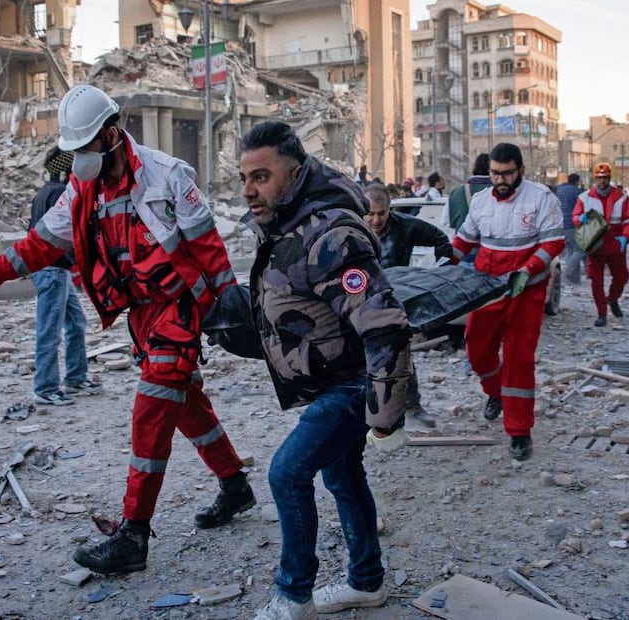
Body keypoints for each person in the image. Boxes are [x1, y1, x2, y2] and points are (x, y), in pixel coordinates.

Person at [0, 85, 255, 575]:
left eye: (84, 147)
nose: (78, 159)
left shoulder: (169, 176)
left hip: (180, 308)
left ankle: (133, 535)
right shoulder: (80, 190)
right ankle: (235, 485)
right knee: (185, 405)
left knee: (151, 410)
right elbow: (40, 243)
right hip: (142, 315)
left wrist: (229, 312)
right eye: (73, 150)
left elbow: (210, 251)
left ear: (111, 135)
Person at [238, 121, 411, 620]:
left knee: (287, 472)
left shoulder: (331, 233)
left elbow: (384, 326)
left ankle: (295, 595)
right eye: (244, 177)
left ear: (295, 175)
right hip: (330, 381)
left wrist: (386, 416)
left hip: (352, 384)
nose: (250, 190)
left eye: (262, 177)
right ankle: (367, 581)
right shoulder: (287, 227)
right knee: (341, 473)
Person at [452, 143, 564, 461]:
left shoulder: (541, 198)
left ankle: (519, 432)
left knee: (518, 360)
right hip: (488, 288)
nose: (500, 180)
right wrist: (446, 260)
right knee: (477, 352)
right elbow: (465, 239)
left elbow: (554, 242)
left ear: (521, 171)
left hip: (526, 292)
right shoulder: (481, 201)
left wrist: (528, 271)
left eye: (507, 173)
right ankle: (495, 393)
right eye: (495, 173)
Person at [362, 182, 455, 430]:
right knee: (362, 361)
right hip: (360, 302)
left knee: (402, 356)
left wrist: (436, 274)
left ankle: (412, 406)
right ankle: (369, 413)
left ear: (389, 210)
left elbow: (440, 240)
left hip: (396, 300)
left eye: (381, 213)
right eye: (371, 213)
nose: (376, 219)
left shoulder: (405, 226)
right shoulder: (352, 229)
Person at [29, 147, 103, 406]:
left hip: (53, 270)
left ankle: (75, 377)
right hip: (52, 270)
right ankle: (45, 387)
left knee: (76, 323)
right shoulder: (60, 193)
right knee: (50, 330)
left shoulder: (42, 194)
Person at [572, 163, 629, 326]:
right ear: (595, 178)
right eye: (599, 178)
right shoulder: (584, 197)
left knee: (622, 277)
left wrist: (625, 236)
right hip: (595, 244)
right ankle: (602, 314)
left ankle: (612, 299)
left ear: (609, 178)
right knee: (596, 281)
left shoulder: (621, 197)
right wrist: (580, 219)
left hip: (615, 243)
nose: (602, 181)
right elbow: (575, 216)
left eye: (605, 178)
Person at [443, 153, 491, 231]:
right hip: (491, 242)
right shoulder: (499, 192)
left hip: (462, 240)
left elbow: (446, 222)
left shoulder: (456, 193)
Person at [555, 173, 586, 284]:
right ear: (577, 181)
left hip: (560, 225)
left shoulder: (559, 190)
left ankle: (574, 278)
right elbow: (584, 206)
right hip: (572, 224)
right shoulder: (576, 192)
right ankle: (568, 274)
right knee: (581, 250)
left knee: (570, 250)